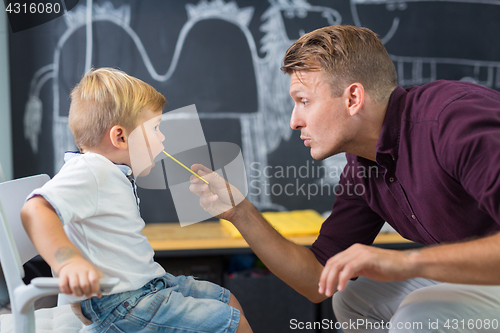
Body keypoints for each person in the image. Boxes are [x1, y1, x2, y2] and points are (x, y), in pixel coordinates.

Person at [190, 25, 500, 332]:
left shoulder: (454, 122)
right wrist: (240, 212)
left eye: (304, 101)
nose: (294, 121)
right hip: (482, 273)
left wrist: (408, 262)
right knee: (352, 298)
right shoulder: (364, 164)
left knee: (417, 318)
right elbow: (318, 279)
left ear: (353, 98)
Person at [21, 68, 252, 333]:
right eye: (155, 128)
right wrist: (68, 261)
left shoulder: (110, 171)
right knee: (232, 324)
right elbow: (35, 209)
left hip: (146, 287)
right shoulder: (91, 170)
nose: (162, 138)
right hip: (120, 304)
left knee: (229, 302)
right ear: (120, 137)